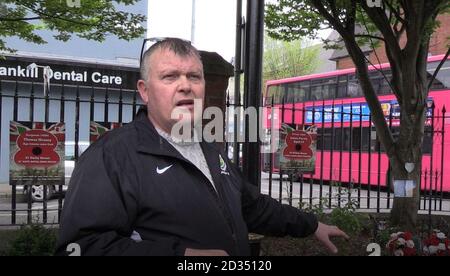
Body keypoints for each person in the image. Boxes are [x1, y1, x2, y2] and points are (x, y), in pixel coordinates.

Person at [56, 38, 348, 256]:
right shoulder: (112, 155)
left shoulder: (209, 148)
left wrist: (310, 225)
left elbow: (252, 207)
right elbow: (82, 246)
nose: (186, 86)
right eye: (170, 76)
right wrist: (182, 257)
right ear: (145, 91)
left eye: (194, 76)